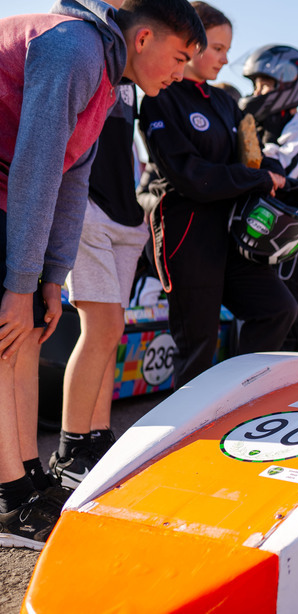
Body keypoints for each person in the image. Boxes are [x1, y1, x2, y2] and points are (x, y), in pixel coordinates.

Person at [0, 0, 205, 550]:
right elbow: (37, 165)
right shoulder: (74, 49)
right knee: (5, 336)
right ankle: (9, 502)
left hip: (11, 181)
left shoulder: (109, 82)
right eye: (180, 55)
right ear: (142, 40)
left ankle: (26, 482)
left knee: (22, 338)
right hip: (9, 177)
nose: (182, 71)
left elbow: (71, 179)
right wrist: (19, 285)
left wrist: (50, 279)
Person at [139, 1, 298, 388]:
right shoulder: (161, 97)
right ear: (191, 42)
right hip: (186, 233)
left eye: (228, 49)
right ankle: (179, 440)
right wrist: (254, 179)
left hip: (231, 235)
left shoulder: (226, 102)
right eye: (217, 48)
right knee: (198, 345)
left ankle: (236, 397)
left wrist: (273, 174)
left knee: (278, 308)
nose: (225, 60)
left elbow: (251, 158)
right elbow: (190, 177)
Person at [50, 77, 147, 490]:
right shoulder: (91, 59)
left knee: (112, 332)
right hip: (87, 206)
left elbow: (126, 148)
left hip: (127, 215)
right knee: (101, 329)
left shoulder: (134, 81)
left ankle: (97, 436)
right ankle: (69, 451)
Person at [240, 44, 298, 352]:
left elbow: (279, 169)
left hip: (290, 237)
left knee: (291, 311)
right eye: (256, 84)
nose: (259, 91)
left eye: (266, 84)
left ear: (287, 84)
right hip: (266, 231)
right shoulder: (263, 124)